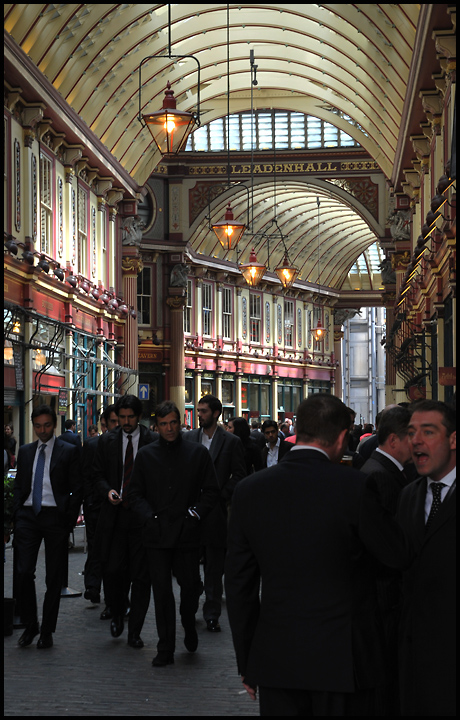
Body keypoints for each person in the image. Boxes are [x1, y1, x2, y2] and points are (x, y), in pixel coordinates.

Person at [225, 393, 407, 717]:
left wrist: (248, 660)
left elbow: (239, 586)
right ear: (341, 438)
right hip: (343, 659)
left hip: (277, 658)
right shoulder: (355, 487)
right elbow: (394, 556)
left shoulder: (249, 491)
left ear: (298, 428)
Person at [129, 401, 220, 667]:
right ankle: (165, 647)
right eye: (163, 424)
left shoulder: (197, 454)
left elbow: (211, 491)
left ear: (180, 423)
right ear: (156, 426)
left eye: (173, 423)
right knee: (161, 592)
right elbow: (135, 494)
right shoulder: (146, 456)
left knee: (191, 586)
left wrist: (195, 515)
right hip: (156, 535)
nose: (169, 428)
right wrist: (149, 517)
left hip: (186, 533)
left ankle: (188, 620)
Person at [397, 400, 456, 717]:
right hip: (415, 660)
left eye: (428, 432)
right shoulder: (408, 494)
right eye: (410, 432)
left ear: (453, 439)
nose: (416, 440)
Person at [13, 404, 82, 649]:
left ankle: (47, 630)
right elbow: (20, 484)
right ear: (33, 426)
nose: (42, 430)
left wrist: (69, 518)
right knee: (23, 572)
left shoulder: (69, 451)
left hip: (55, 517)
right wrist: (17, 512)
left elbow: (77, 487)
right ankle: (31, 625)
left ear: (55, 425)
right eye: (38, 426)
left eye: (47, 425)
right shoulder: (25, 451)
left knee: (53, 577)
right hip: (28, 516)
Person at [92, 395, 157, 648]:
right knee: (113, 570)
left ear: (139, 417)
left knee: (141, 577)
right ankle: (118, 613)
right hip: (115, 516)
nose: (126, 422)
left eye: (131, 417)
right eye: (122, 418)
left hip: (141, 518)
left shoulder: (152, 441)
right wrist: (108, 491)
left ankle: (135, 631)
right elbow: (97, 475)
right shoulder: (107, 441)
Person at [360, 405, 413, 716]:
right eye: (411, 436)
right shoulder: (379, 475)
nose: (416, 443)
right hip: (386, 599)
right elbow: (385, 543)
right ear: (395, 439)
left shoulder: (385, 471)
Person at [184, 395, 246, 632]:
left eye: (204, 411)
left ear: (217, 413)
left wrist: (221, 494)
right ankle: (189, 607)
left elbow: (239, 474)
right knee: (188, 565)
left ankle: (212, 614)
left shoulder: (230, 442)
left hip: (216, 513)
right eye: (198, 410)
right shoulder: (189, 438)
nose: (199, 414)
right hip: (190, 511)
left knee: (213, 567)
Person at [82, 405, 119, 605]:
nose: (115, 426)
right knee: (96, 547)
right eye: (111, 422)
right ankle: (93, 586)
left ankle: (111, 594)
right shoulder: (92, 445)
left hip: (119, 507)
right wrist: (89, 501)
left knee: (113, 551)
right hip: (96, 506)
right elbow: (87, 475)